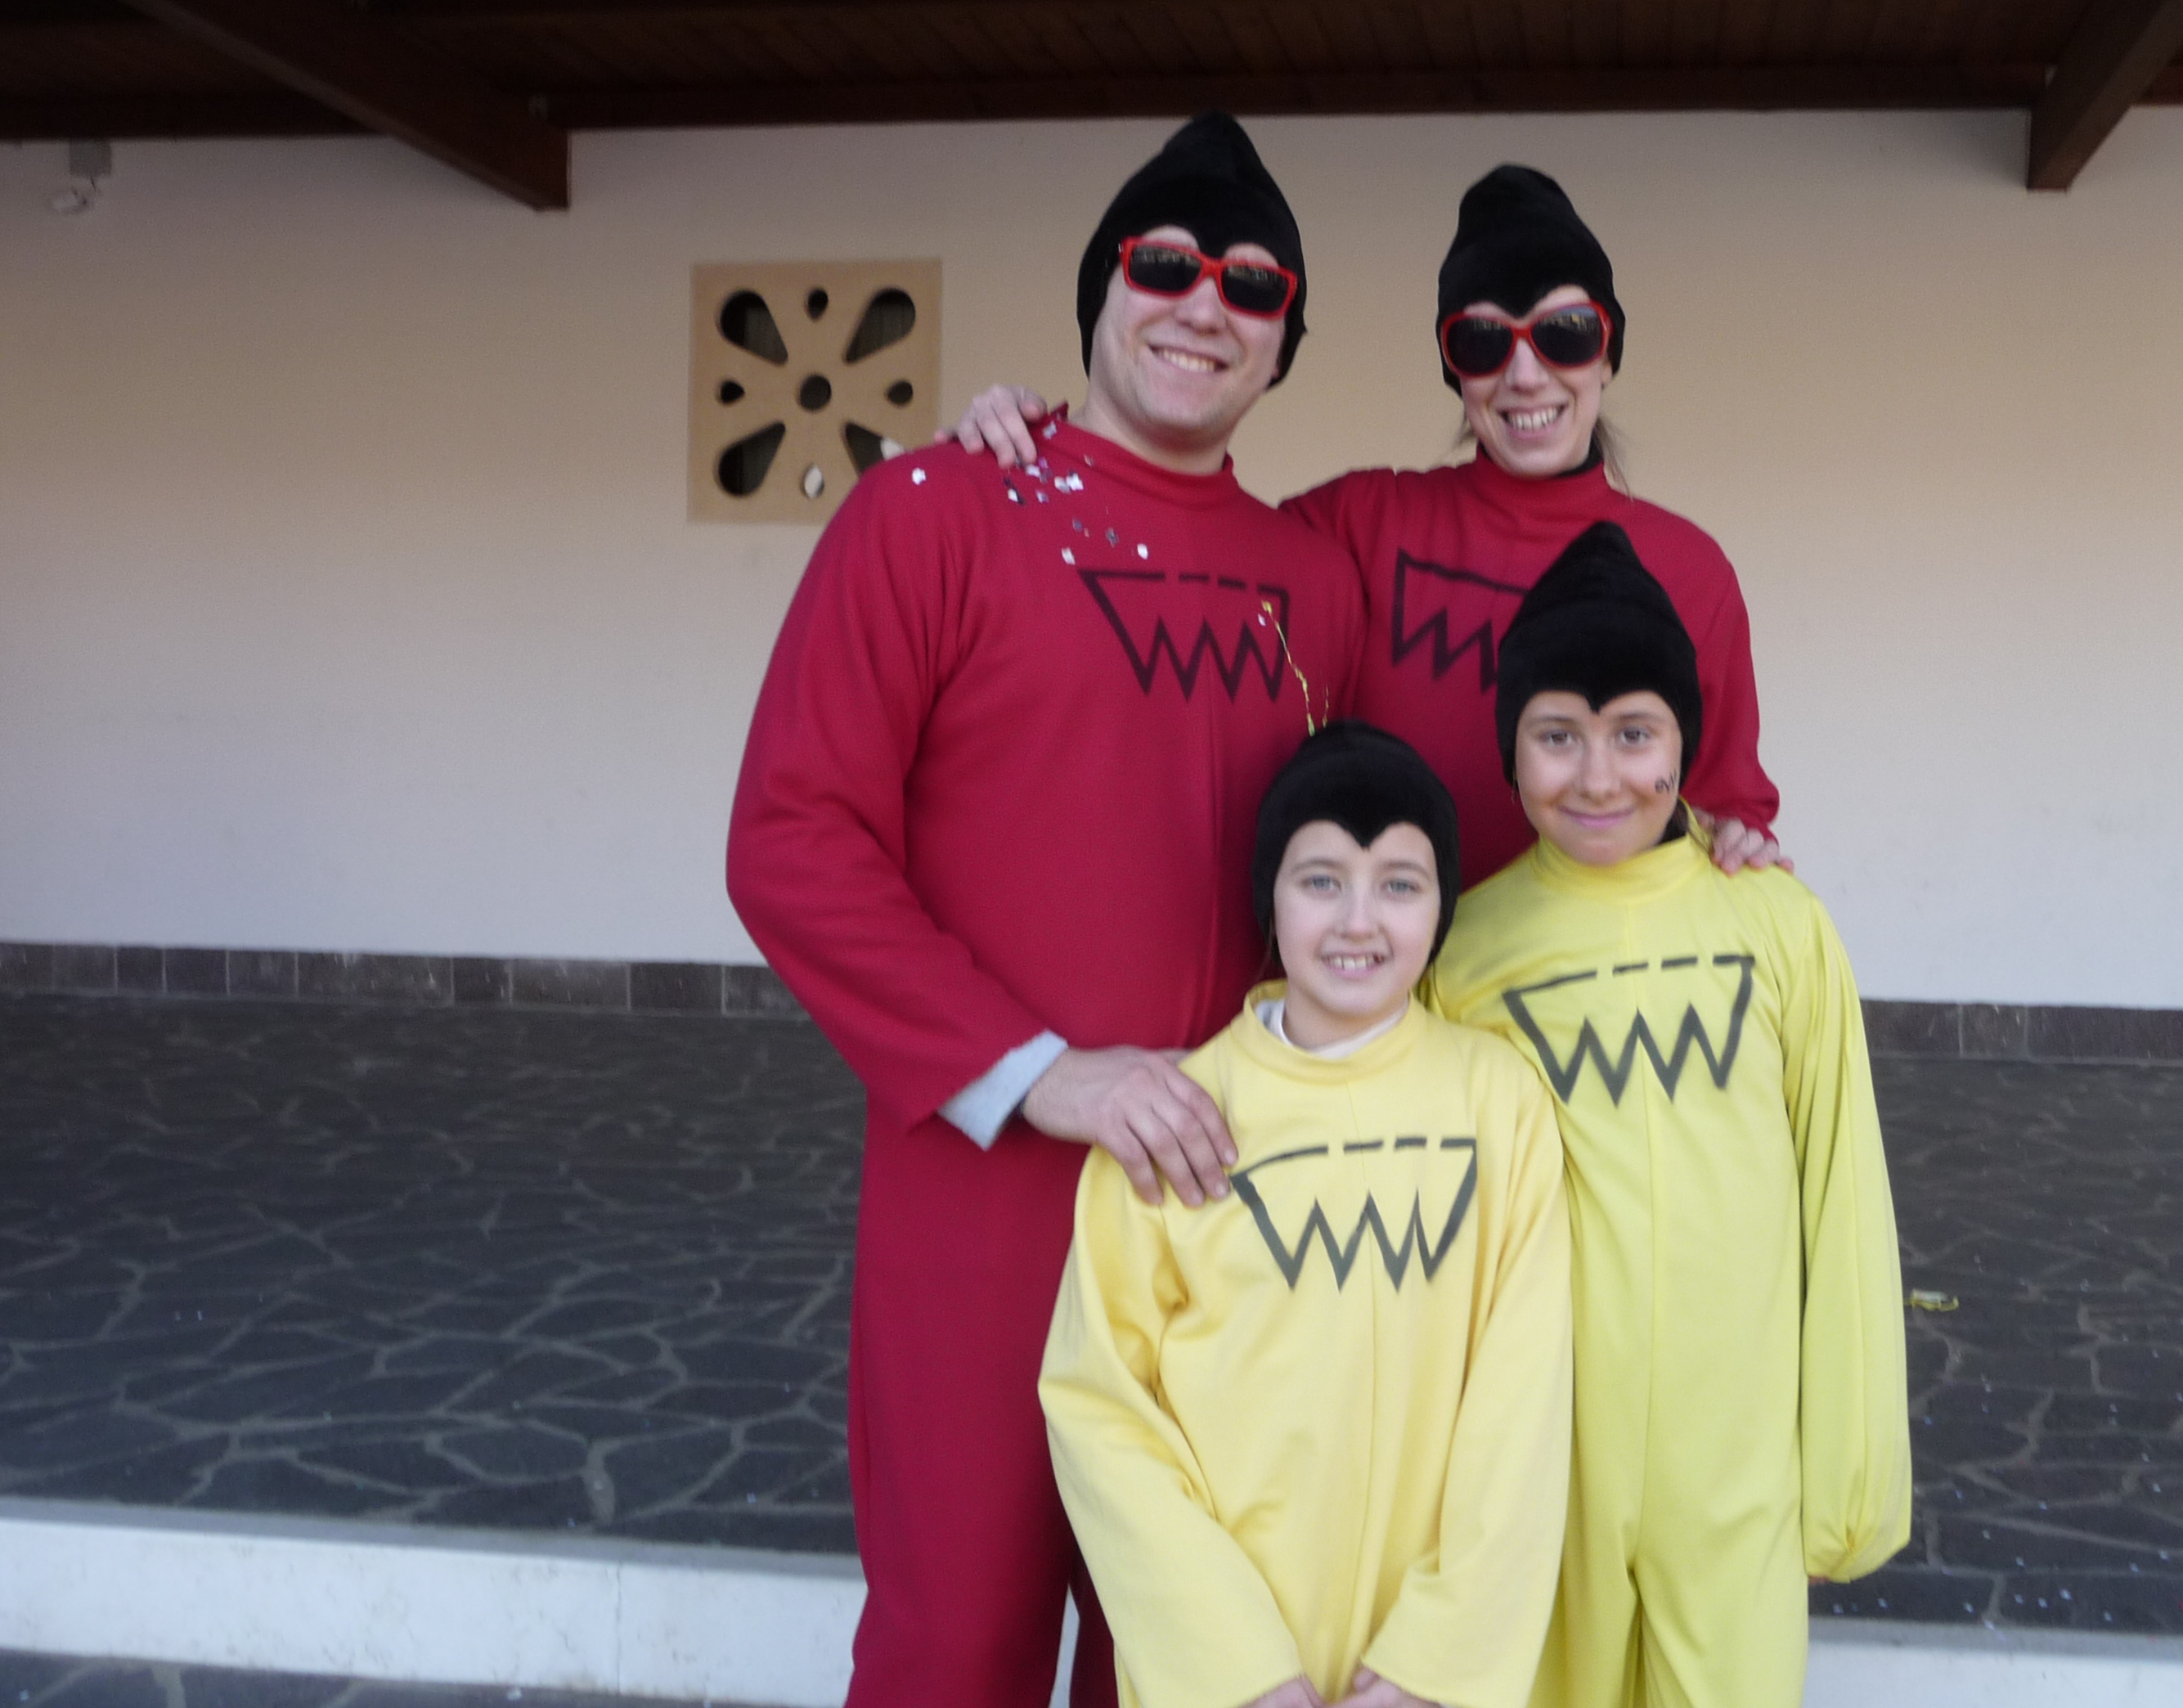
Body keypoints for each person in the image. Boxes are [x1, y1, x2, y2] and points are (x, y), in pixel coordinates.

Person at [725, 113, 1365, 1708]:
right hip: (987, 1202)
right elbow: (793, 837)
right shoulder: (933, 513)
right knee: (958, 1646)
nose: (1203, 304)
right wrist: (1040, 1071)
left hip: (1227, 1200)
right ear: (1100, 290)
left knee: (1192, 1654)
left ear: (1283, 342)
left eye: (1253, 285)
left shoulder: (1316, 577)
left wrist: (1711, 801)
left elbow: (1424, 812)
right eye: (1165, 264)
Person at [948, 164, 1783, 888]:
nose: (1525, 374)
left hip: (1571, 989)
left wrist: (1743, 839)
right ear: (1454, 370)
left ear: (1607, 354)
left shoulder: (1686, 569)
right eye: (1482, 340)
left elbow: (1722, 803)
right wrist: (1056, 438)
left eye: (1565, 335)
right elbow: (1183, 545)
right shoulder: (1361, 522)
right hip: (1370, 974)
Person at [1427, 522, 1908, 1708]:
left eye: (1634, 734)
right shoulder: (1465, 954)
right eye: (1557, 736)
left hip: (1732, 1458)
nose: (1597, 778)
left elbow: (1841, 1195)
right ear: (1510, 749)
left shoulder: (1777, 925)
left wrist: (1847, 1473)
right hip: (1545, 1458)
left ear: (1685, 743)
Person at [1041, 723, 1571, 1708]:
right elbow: (1101, 1408)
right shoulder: (1181, 1118)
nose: (1357, 921)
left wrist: (1437, 1659)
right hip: (1234, 1667)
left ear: (1442, 905)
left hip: (1427, 1673)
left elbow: (1525, 1398)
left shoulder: (1499, 1104)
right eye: (1320, 880)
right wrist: (1237, 1667)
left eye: (1400, 884)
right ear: (1270, 896)